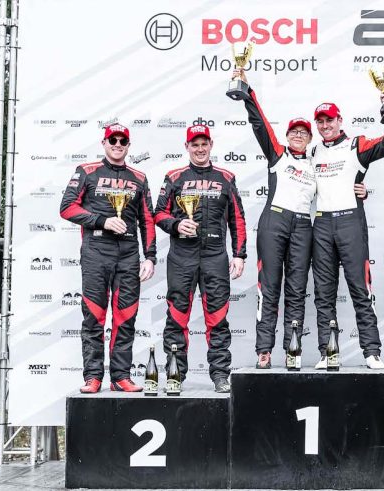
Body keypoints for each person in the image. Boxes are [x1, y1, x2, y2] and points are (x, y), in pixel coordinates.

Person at [231, 68, 369, 369]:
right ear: (287, 135)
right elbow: (259, 124)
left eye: (303, 132)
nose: (298, 135)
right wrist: (248, 93)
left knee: (296, 290)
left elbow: (340, 181)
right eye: (293, 131)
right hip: (275, 222)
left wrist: (362, 190)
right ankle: (264, 350)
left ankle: (292, 349)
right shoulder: (277, 154)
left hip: (304, 227)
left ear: (310, 137)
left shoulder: (317, 159)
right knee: (269, 287)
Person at [60, 123, 156, 393]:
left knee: (126, 317)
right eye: (112, 140)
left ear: (128, 146)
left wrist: (150, 257)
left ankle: (121, 376)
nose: (117, 145)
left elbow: (147, 219)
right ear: (104, 143)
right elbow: (67, 208)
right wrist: (102, 221)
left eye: (122, 141)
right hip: (96, 252)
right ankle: (93, 377)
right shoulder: (87, 171)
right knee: (94, 316)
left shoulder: (139, 177)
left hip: (128, 254)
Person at [310, 94, 384, 370]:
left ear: (340, 120)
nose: (325, 126)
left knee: (361, 289)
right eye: (320, 121)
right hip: (321, 224)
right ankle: (328, 352)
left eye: (329, 120)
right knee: (323, 294)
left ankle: (372, 351)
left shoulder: (356, 145)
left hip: (350, 222)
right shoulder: (312, 152)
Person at [154, 124, 247, 393]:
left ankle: (220, 375)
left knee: (217, 319)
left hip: (215, 256)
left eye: (204, 143)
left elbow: (237, 219)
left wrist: (239, 254)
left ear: (211, 145)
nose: (200, 149)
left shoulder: (226, 177)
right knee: (176, 318)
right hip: (181, 257)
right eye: (194, 144)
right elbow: (158, 213)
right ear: (187, 147)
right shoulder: (174, 177)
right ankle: (175, 375)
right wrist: (175, 225)